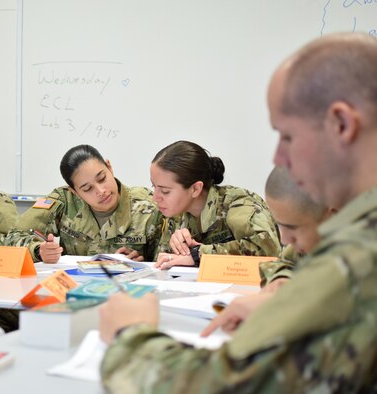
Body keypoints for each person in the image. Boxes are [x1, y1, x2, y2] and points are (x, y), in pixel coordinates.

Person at [99, 32, 377, 392]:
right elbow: (290, 259)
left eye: (287, 136)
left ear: (341, 124)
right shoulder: (354, 227)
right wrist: (281, 292)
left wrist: (130, 336)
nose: (279, 157)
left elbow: (222, 384)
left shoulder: (360, 254)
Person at [200, 166, 333, 336]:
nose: (285, 239)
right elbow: (283, 262)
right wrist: (281, 278)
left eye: (292, 227)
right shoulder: (312, 234)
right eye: (280, 226)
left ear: (333, 214)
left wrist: (293, 300)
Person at [5, 144, 163, 263]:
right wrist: (39, 251)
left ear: (109, 167)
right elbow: (12, 237)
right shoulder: (64, 201)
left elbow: (167, 263)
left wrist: (143, 265)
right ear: (75, 192)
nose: (101, 191)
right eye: (87, 188)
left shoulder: (149, 206)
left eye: (102, 178)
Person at [151, 140, 281, 269]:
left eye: (165, 191)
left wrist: (199, 254)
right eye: (154, 186)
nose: (155, 198)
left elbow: (268, 249)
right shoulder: (176, 212)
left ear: (196, 189)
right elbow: (163, 262)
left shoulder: (238, 206)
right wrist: (177, 248)